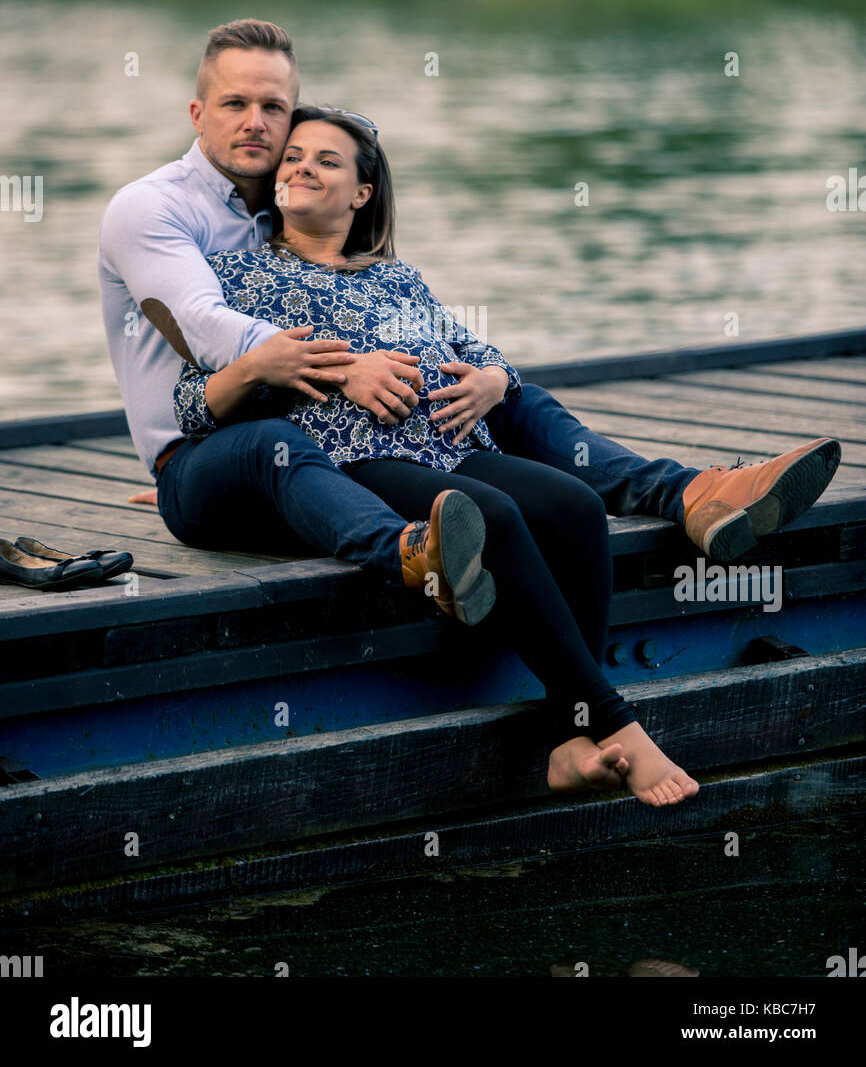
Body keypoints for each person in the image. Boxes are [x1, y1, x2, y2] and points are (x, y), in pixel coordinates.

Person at [169, 104, 839, 808]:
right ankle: (616, 724)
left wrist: (492, 379)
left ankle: (568, 739)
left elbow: (467, 344)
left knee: (572, 506)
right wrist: (332, 373)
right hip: (352, 455)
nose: (302, 166)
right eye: (295, 156)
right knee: (491, 514)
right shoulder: (236, 278)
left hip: (447, 441)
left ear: (362, 193)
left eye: (326, 160)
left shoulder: (395, 278)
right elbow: (194, 401)